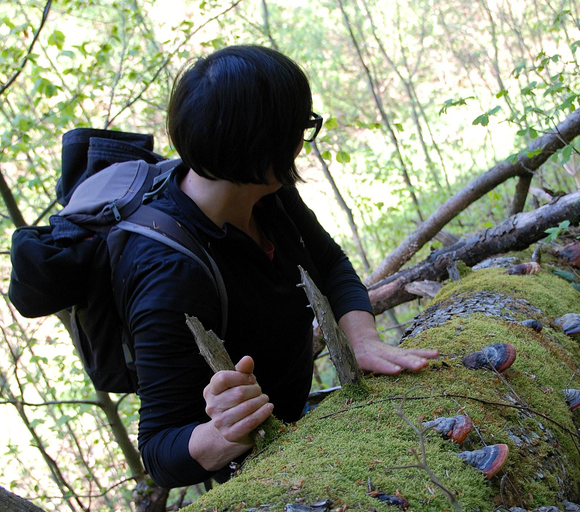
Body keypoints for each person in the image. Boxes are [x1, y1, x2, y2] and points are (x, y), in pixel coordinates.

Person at [111, 45, 438, 488]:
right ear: (263, 147)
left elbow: (329, 263)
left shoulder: (265, 191)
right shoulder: (169, 273)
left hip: (300, 421)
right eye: (301, 126)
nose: (302, 140)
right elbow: (158, 451)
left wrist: (362, 340)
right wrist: (224, 433)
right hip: (260, 470)